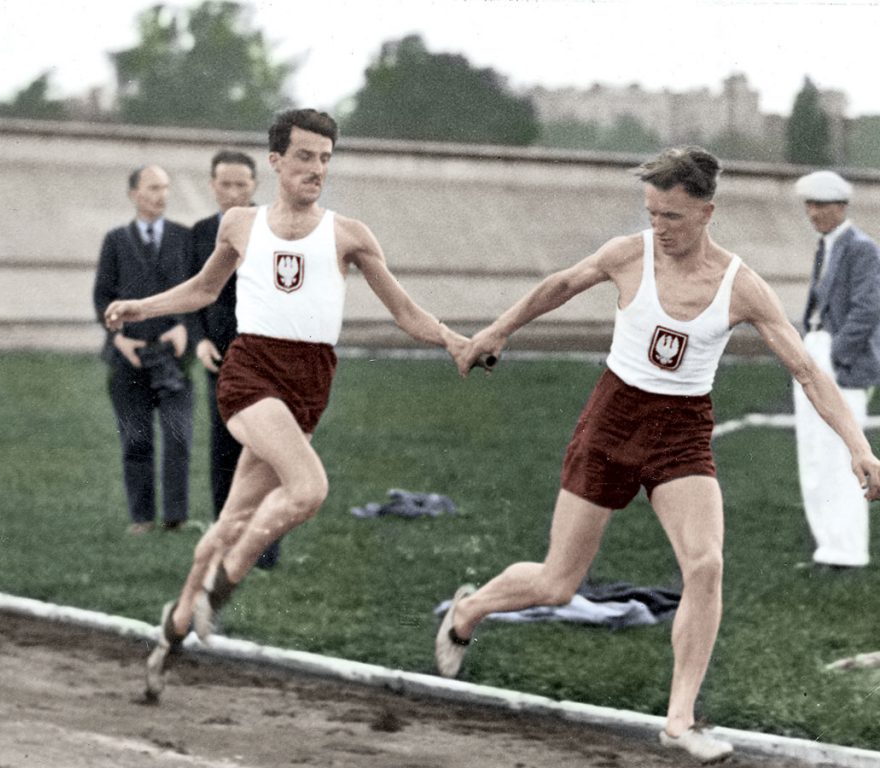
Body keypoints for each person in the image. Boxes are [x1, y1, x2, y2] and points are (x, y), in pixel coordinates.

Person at [435, 147, 880, 763]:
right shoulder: (628, 254)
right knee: (559, 583)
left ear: (706, 212)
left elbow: (806, 370)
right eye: (651, 212)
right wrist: (497, 331)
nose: (658, 227)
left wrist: (858, 446)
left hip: (681, 433)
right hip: (611, 423)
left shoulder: (739, 285)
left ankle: (678, 719)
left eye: (671, 215)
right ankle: (471, 608)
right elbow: (560, 285)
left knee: (705, 566)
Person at [104, 108, 469, 700]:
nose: (315, 169)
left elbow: (404, 311)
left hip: (309, 384)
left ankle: (172, 628)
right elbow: (202, 289)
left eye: (325, 158)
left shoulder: (349, 234)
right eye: (304, 156)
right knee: (309, 489)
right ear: (275, 161)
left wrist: (452, 339)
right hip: (249, 373)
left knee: (233, 517)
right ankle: (219, 591)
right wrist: (140, 307)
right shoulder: (241, 225)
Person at [93, 164, 201, 534]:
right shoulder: (116, 241)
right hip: (129, 360)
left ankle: (176, 518)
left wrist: (185, 329)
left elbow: (200, 292)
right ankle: (142, 519)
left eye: (166, 188)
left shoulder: (185, 239)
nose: (161, 195)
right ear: (134, 194)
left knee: (178, 437)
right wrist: (117, 338)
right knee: (135, 439)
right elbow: (101, 297)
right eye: (153, 188)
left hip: (175, 359)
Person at [191, 149, 281, 569]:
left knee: (266, 451)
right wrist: (198, 340)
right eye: (224, 184)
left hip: (267, 356)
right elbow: (191, 293)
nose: (232, 191)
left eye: (240, 184)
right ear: (212, 186)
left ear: (254, 186)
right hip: (221, 358)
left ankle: (264, 547)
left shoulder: (274, 230)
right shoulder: (199, 233)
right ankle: (224, 540)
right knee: (224, 449)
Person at [791, 170, 880, 570]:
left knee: (842, 454)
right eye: (809, 205)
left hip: (837, 357)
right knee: (813, 451)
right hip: (814, 347)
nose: (813, 213)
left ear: (841, 207)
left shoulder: (861, 248)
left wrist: (837, 353)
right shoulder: (824, 246)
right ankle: (827, 546)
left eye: (821, 205)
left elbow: (867, 308)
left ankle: (847, 551)